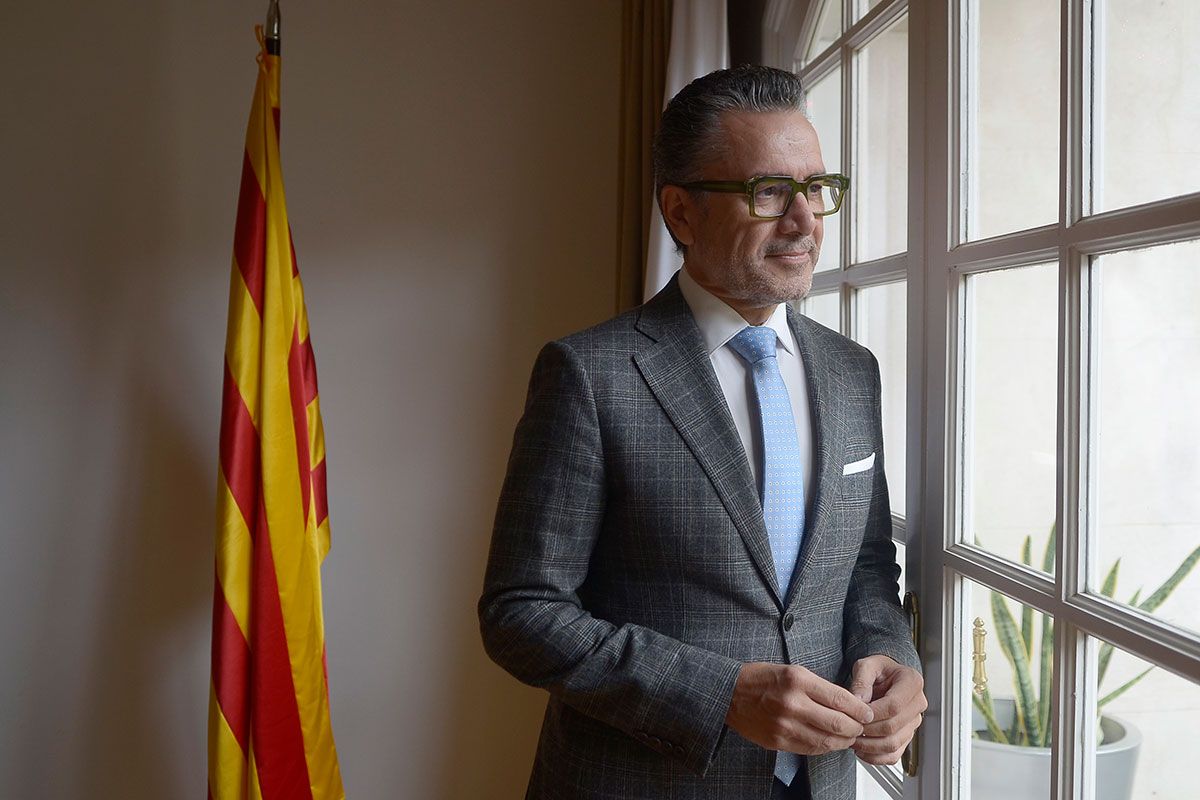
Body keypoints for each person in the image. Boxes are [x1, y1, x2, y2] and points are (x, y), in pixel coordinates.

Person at [479, 65, 926, 800]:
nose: (806, 221)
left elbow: (868, 567)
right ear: (682, 213)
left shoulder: (853, 371)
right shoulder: (589, 374)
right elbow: (520, 612)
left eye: (817, 188)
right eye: (769, 192)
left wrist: (890, 654)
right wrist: (721, 694)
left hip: (823, 783)